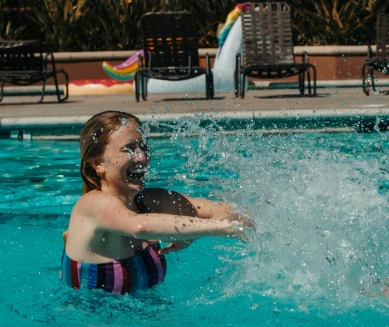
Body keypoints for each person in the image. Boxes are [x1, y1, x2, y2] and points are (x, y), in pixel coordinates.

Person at [61, 111, 251, 294]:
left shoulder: (150, 202)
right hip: (88, 323)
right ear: (97, 163)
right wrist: (219, 228)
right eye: (128, 149)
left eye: (143, 147)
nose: (142, 157)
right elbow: (139, 226)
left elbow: (225, 211)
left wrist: (194, 234)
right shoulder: (92, 205)